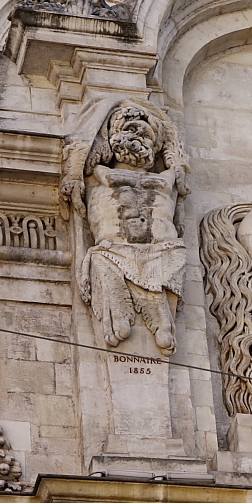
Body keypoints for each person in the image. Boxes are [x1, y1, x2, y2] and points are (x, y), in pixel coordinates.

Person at [78, 104, 189, 357]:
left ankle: (156, 310)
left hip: (162, 249)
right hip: (112, 250)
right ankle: (123, 306)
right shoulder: (100, 172)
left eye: (145, 134)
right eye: (129, 130)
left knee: (162, 275)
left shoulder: (167, 177)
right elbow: (83, 158)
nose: (137, 136)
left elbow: (176, 169)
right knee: (104, 261)